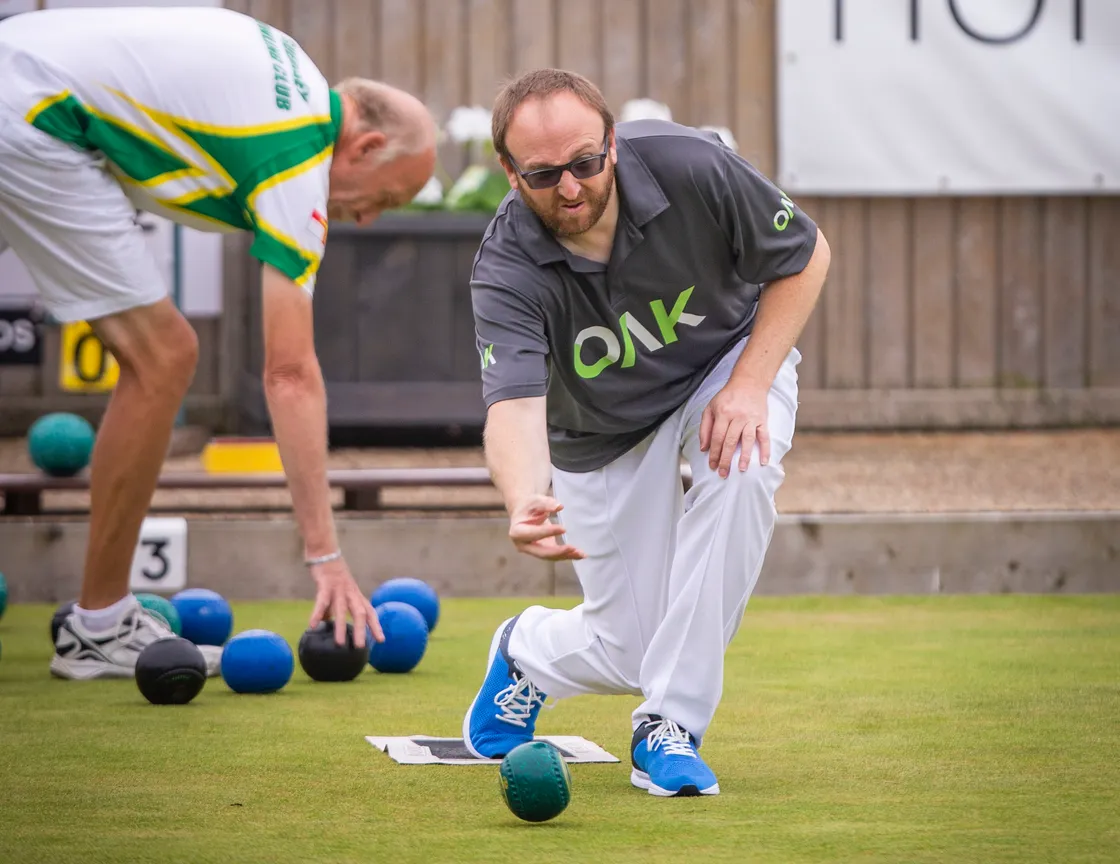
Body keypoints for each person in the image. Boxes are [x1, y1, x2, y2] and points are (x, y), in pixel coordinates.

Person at [0, 5, 437, 680]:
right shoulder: (300, 151)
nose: (371, 216)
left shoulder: (287, 67)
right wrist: (325, 555)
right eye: (388, 198)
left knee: (159, 352)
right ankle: (100, 624)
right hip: (32, 115)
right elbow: (289, 373)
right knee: (164, 355)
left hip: (20, 80)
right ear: (368, 148)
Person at [462, 69, 831, 797]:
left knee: (743, 468)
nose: (569, 188)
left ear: (613, 144)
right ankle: (526, 654)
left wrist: (751, 385)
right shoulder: (504, 268)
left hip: (723, 369)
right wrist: (521, 498)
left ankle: (669, 725)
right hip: (599, 434)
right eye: (541, 175)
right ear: (508, 171)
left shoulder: (691, 165)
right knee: (631, 647)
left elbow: (805, 255)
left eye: (585, 163)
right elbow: (512, 405)